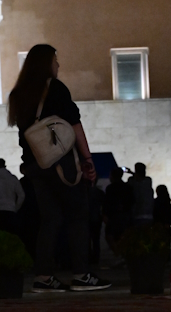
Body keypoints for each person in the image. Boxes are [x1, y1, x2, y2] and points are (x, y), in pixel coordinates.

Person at [8, 44, 110, 292]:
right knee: (77, 215)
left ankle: (43, 276)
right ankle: (81, 274)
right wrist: (87, 159)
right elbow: (74, 124)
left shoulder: (19, 94)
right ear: (45, 63)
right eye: (55, 60)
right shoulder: (55, 89)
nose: (58, 65)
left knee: (49, 220)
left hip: (35, 165)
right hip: (61, 164)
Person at [129, 163, 154, 227]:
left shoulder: (132, 181)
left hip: (136, 214)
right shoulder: (148, 180)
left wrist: (131, 173)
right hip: (147, 214)